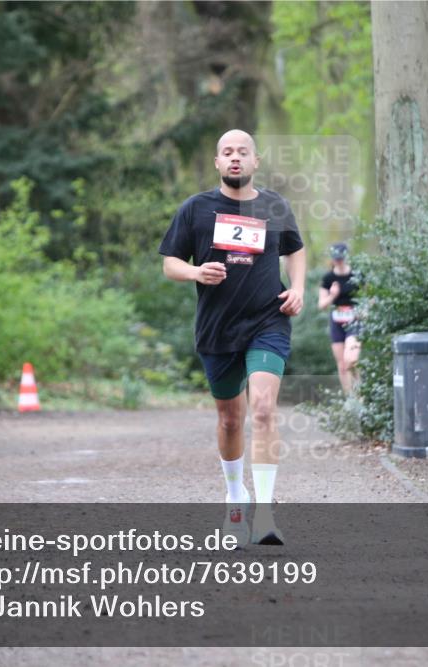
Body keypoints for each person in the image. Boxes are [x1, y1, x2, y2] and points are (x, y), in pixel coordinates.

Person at [159, 129, 305, 546]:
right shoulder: (196, 209)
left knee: (262, 409)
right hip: (217, 327)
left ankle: (265, 513)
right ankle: (235, 499)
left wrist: (297, 288)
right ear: (218, 163)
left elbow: (295, 249)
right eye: (227, 152)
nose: (235, 158)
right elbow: (170, 262)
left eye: (243, 151)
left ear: (256, 160)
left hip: (267, 320)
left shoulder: (274, 205)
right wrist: (195, 272)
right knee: (230, 418)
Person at [318, 242, 361, 394]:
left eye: (341, 258)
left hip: (354, 320)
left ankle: (362, 393)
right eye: (336, 258)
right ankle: (349, 398)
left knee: (351, 360)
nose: (338, 261)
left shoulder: (357, 275)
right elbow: (322, 305)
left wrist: (364, 311)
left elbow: (370, 297)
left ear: (346, 257)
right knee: (342, 364)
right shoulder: (328, 278)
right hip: (336, 321)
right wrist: (333, 295)